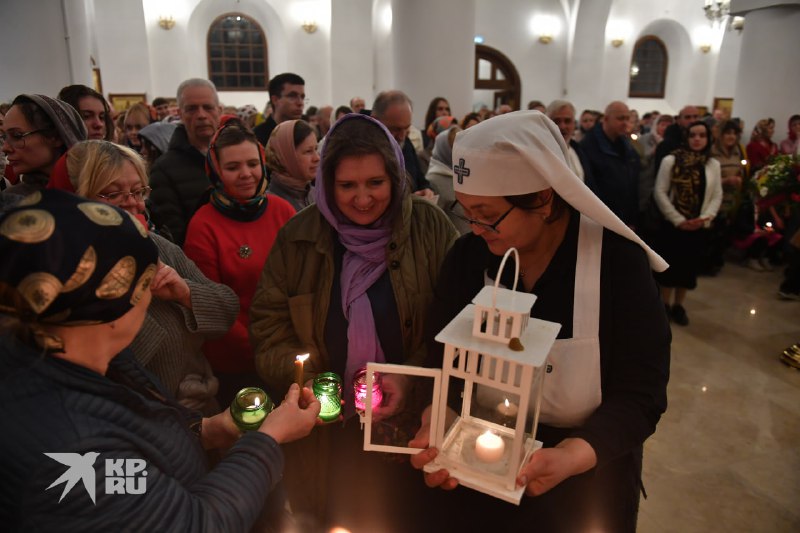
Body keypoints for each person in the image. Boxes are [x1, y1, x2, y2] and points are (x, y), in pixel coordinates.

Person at [0, 189, 321, 531]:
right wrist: (268, 440)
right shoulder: (73, 450)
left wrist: (209, 430)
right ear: (112, 306)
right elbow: (196, 524)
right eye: (146, 284)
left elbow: (135, 435)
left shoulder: (82, 361)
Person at [411, 110, 670, 533]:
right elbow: (440, 358)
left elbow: (642, 392)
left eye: (487, 213)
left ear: (544, 199)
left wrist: (574, 453)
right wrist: (436, 416)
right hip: (479, 467)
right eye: (467, 211)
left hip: (585, 477)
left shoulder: (616, 264)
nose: (475, 228)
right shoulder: (468, 258)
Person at [249, 113, 458, 530]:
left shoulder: (430, 227)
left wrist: (410, 376)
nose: (362, 199)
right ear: (327, 184)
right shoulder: (298, 237)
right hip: (329, 432)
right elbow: (268, 327)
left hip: (416, 423)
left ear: (396, 179)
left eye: (375, 183)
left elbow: (455, 320)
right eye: (347, 186)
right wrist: (308, 379)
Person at [64, 139, 238, 414]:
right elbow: (117, 368)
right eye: (113, 194)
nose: (132, 203)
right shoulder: (72, 270)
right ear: (80, 198)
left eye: (137, 191)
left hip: (200, 408)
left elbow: (227, 309)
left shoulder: (158, 246)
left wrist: (185, 293)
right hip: (138, 422)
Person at [184, 119, 296, 404]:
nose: (246, 174)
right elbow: (212, 307)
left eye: (252, 163)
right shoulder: (203, 225)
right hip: (237, 364)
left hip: (287, 352)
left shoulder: (283, 210)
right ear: (216, 171)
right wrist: (264, 347)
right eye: (233, 167)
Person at [653, 121, 723, 325]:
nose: (697, 139)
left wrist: (705, 218)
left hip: (698, 225)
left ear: (708, 138)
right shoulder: (671, 160)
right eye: (693, 135)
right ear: (686, 137)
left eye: (702, 135)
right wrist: (679, 220)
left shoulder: (712, 164)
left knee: (688, 269)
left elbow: (716, 194)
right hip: (674, 225)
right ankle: (664, 304)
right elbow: (660, 192)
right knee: (669, 268)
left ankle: (679, 305)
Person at [149, 78, 222, 246]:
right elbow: (174, 237)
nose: (202, 115)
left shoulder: (237, 158)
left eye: (208, 107)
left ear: (219, 110)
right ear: (180, 114)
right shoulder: (163, 169)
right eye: (192, 109)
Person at [0, 94, 86, 203]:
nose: (5, 148)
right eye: (4, 137)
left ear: (55, 136)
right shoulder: (11, 202)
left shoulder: (101, 188)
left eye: (17, 135)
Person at [579, 101, 640, 226]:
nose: (625, 123)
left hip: (624, 217)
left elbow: (632, 183)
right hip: (600, 219)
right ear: (605, 119)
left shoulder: (625, 144)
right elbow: (590, 187)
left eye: (627, 118)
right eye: (620, 118)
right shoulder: (589, 146)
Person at [372, 90, 435, 199]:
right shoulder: (360, 148)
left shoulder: (406, 143)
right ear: (375, 121)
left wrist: (426, 190)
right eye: (396, 129)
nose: (402, 136)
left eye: (407, 128)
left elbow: (420, 179)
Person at [265, 119, 319, 212]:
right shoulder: (269, 207)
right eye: (308, 151)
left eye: (316, 149)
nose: (317, 158)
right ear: (287, 156)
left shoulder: (318, 195)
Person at [426, 125, 469, 234]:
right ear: (445, 149)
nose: (462, 152)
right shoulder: (433, 181)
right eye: (455, 147)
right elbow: (433, 225)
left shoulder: (462, 173)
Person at [254, 73, 306, 147]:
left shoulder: (305, 134)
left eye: (302, 97)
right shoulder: (257, 138)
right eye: (292, 96)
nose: (300, 103)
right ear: (275, 100)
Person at [546, 100, 592, 184]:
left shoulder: (578, 150)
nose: (562, 126)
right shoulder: (542, 153)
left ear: (574, 124)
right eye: (556, 121)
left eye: (567, 121)